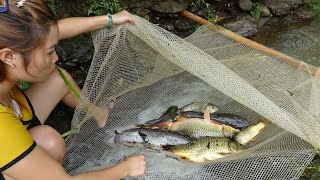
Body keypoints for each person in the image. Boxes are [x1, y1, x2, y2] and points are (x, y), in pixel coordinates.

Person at [0, 0, 146, 179]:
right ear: (8, 56)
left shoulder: (9, 51)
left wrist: (109, 19)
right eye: (49, 52)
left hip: (12, 118)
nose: (56, 57)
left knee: (56, 79)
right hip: (5, 138)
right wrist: (125, 168)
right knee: (50, 143)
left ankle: (97, 113)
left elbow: (55, 30)